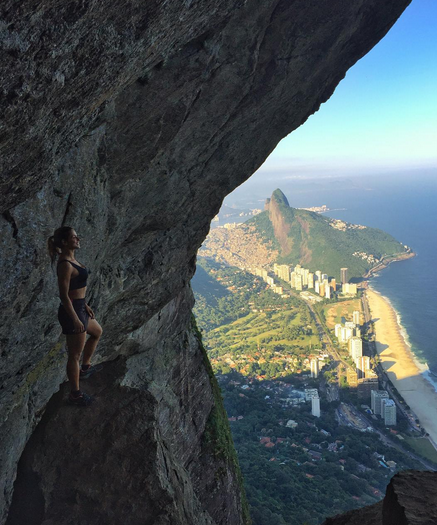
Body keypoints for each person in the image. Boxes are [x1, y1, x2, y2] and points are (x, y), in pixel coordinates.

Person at [48, 226, 103, 406]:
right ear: (64, 242)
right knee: (74, 355)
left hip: (79, 306)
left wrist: (85, 305)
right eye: (74, 237)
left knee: (97, 332)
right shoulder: (65, 264)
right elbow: (64, 295)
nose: (78, 239)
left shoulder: (72, 260)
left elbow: (75, 289)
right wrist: (75, 318)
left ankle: (86, 367)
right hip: (71, 311)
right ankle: (75, 394)